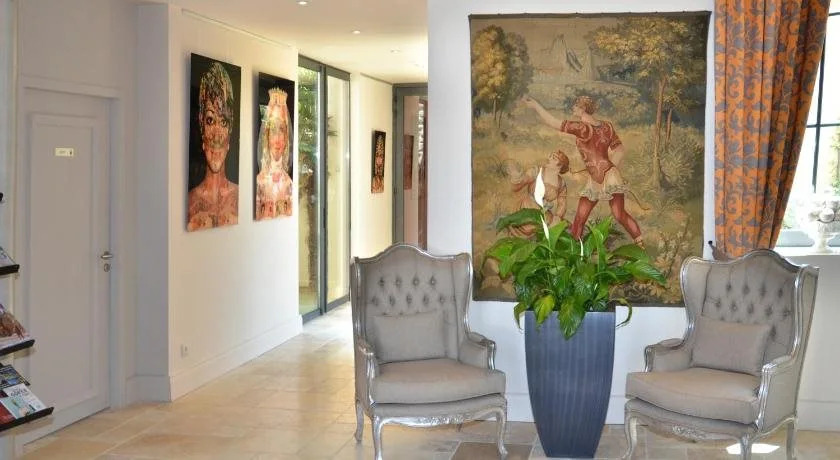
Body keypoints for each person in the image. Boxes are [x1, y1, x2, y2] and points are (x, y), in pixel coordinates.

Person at [521, 95, 644, 246]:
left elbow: (553, 122)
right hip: (608, 176)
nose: (573, 108)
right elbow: (619, 150)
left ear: (583, 108)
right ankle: (638, 243)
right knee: (601, 215)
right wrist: (608, 169)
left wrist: (536, 106)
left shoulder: (583, 128)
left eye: (575, 105)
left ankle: (576, 248)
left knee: (591, 216)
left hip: (604, 177)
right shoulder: (607, 126)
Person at [188, 62, 238, 231]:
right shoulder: (190, 202)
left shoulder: (241, 197)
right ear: (202, 127)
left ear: (230, 130)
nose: (217, 135)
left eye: (223, 122)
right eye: (210, 120)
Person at [255, 87, 293, 219]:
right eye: (273, 130)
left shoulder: (289, 183)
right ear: (267, 135)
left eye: (281, 130)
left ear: (286, 137)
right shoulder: (260, 182)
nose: (277, 139)